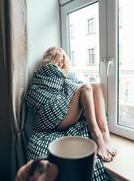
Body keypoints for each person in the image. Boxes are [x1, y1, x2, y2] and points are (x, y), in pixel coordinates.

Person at [25, 46, 116, 181]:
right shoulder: (41, 76)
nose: (61, 64)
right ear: (49, 60)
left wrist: (69, 85)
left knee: (95, 86)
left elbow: (74, 87)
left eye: (63, 61)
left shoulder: (68, 75)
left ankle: (103, 133)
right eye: (57, 60)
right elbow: (35, 97)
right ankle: (96, 134)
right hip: (51, 118)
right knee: (86, 88)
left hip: (66, 113)